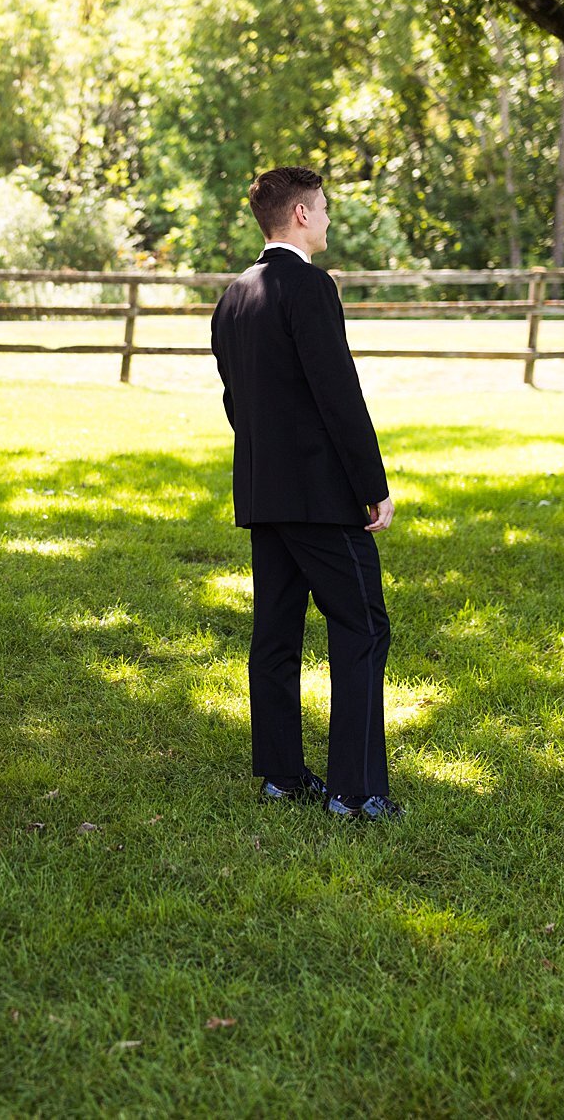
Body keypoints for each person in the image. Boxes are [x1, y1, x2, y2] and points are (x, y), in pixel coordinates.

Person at [210, 166, 400, 820]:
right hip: (321, 496)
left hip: (265, 493)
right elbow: (338, 394)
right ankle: (357, 789)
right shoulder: (310, 287)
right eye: (322, 210)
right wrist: (371, 486)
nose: (327, 220)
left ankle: (282, 776)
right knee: (363, 625)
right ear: (298, 215)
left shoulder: (234, 295)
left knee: (277, 632)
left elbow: (237, 400)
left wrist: (272, 463)